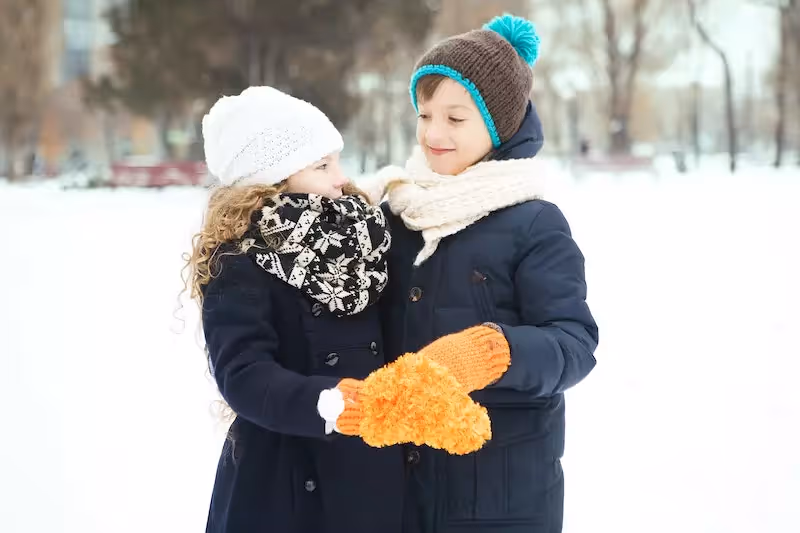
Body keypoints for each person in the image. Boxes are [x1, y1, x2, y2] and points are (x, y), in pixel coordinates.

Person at [187, 86, 505, 533]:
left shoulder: (362, 241)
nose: (340, 178)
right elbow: (243, 374)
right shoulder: (241, 261)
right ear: (270, 180)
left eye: (337, 160)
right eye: (322, 166)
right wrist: (328, 403)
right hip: (286, 484)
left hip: (368, 474)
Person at [374, 14, 600, 533]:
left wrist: (494, 352)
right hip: (396, 491)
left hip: (497, 498)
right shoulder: (398, 211)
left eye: (455, 119)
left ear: (498, 126)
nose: (433, 133)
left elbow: (574, 343)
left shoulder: (534, 222)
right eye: (425, 114)